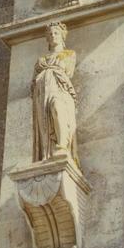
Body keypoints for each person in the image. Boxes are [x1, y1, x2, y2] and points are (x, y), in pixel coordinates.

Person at [32, 21, 79, 165]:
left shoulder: (69, 54)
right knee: (45, 122)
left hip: (60, 88)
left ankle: (63, 145)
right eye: (50, 34)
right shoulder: (41, 60)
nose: (53, 36)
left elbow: (68, 71)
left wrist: (50, 69)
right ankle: (49, 151)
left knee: (58, 108)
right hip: (42, 93)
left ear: (62, 36)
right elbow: (33, 81)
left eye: (56, 33)